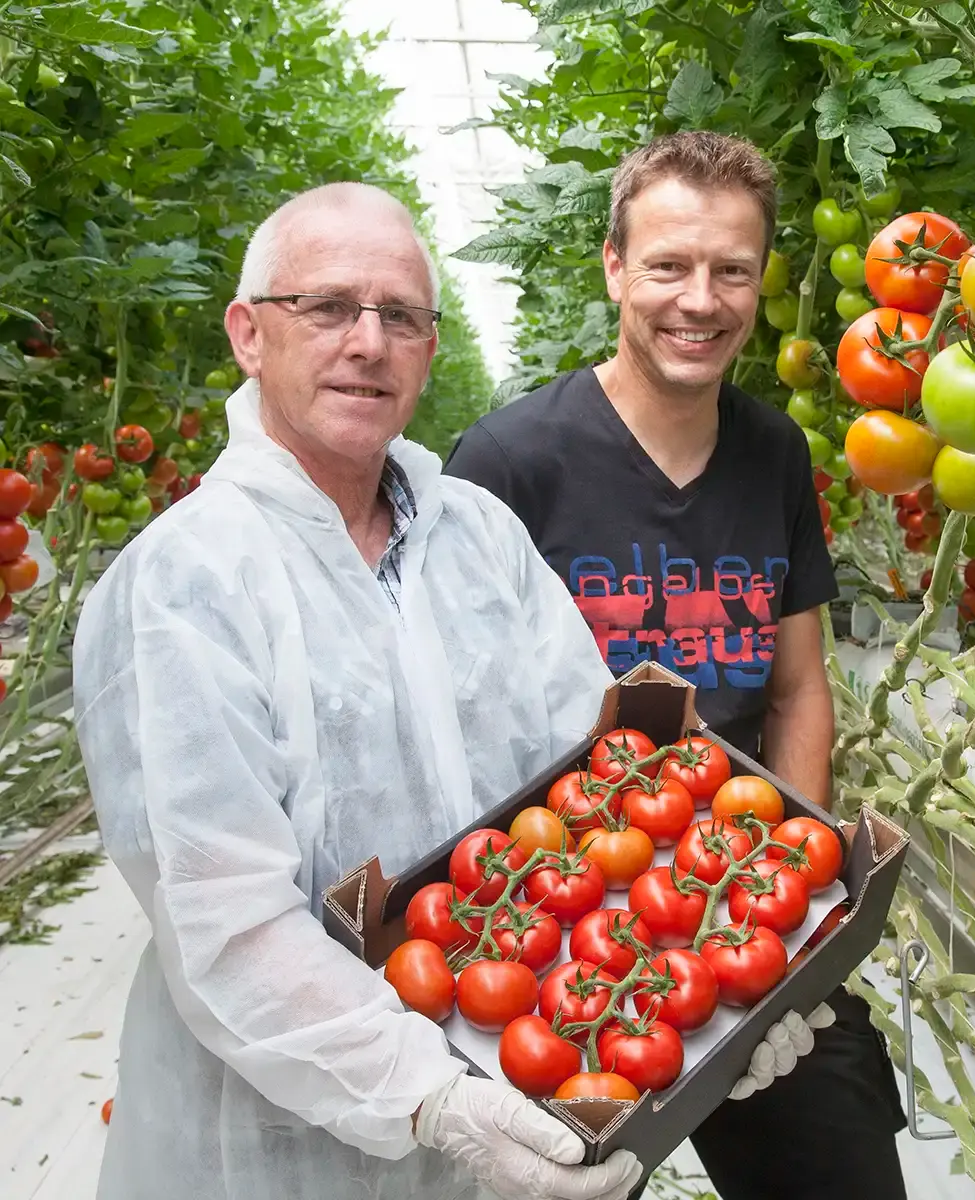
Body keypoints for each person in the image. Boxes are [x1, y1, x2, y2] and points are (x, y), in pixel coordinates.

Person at [73, 182, 826, 1200]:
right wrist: (429, 1094)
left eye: (402, 317)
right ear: (249, 335)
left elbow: (593, 773)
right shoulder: (184, 584)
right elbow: (227, 926)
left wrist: (722, 998)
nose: (369, 344)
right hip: (282, 1144)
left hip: (531, 1053)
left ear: (430, 348)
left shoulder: (478, 534)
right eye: (329, 307)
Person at [444, 133, 909, 1200]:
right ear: (613, 266)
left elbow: (795, 688)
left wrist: (802, 909)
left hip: (734, 894)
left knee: (838, 1156)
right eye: (667, 265)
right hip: (560, 921)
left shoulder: (775, 451)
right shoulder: (509, 463)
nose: (700, 300)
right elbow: (462, 722)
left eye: (732, 270)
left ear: (759, 281)